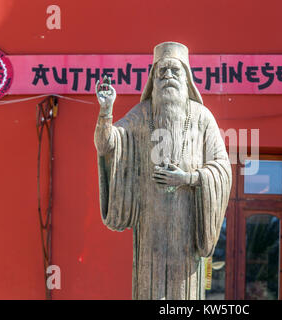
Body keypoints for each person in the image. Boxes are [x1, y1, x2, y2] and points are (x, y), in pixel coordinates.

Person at [94, 42, 231, 299]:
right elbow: (107, 144)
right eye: (162, 71)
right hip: (150, 223)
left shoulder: (202, 117)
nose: (168, 76)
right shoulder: (142, 114)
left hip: (187, 223)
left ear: (186, 77)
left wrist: (187, 178)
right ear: (153, 80)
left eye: (174, 71)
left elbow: (222, 168)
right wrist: (106, 111)